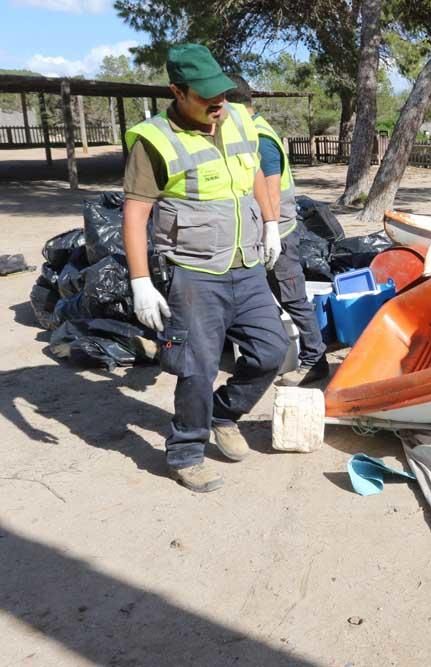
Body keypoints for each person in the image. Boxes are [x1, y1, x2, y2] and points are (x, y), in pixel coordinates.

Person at [122, 43, 289, 493]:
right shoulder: (154, 140)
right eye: (206, 98)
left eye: (222, 95)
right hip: (194, 271)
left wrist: (271, 223)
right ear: (177, 91)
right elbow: (135, 214)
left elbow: (252, 168)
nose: (218, 105)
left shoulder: (235, 117)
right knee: (196, 367)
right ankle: (185, 452)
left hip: (247, 263)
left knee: (273, 351)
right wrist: (140, 281)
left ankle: (223, 413)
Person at [225, 75, 329, 387]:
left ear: (233, 105)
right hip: (264, 234)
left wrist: (268, 233)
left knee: (292, 297)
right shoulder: (248, 132)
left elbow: (268, 193)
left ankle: (315, 360)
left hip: (278, 235)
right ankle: (272, 353)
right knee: (269, 298)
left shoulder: (260, 139)